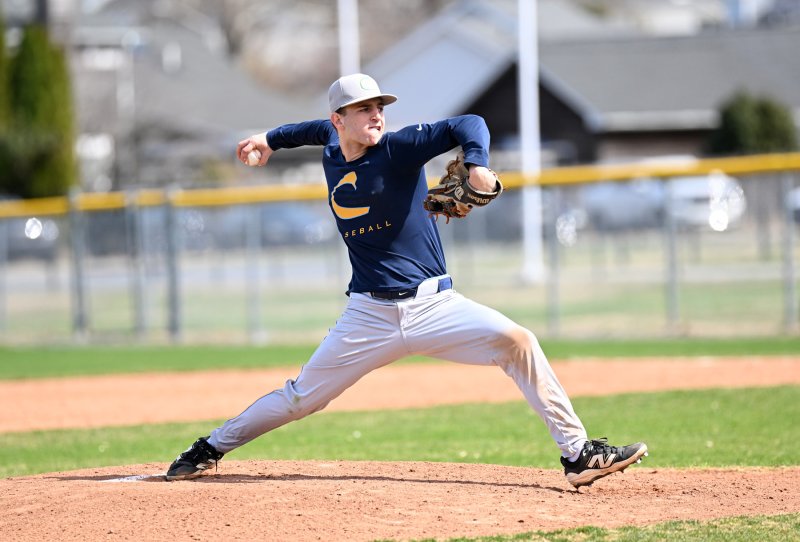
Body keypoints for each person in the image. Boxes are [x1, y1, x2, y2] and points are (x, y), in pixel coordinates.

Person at [166, 73, 647, 488]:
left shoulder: (399, 147)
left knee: (519, 341)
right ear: (339, 119)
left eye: (379, 106)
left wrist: (475, 162)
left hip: (436, 306)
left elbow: (468, 124)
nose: (376, 115)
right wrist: (268, 140)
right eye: (363, 109)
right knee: (299, 399)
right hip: (368, 314)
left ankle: (577, 454)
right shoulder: (331, 144)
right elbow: (304, 130)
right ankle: (209, 447)